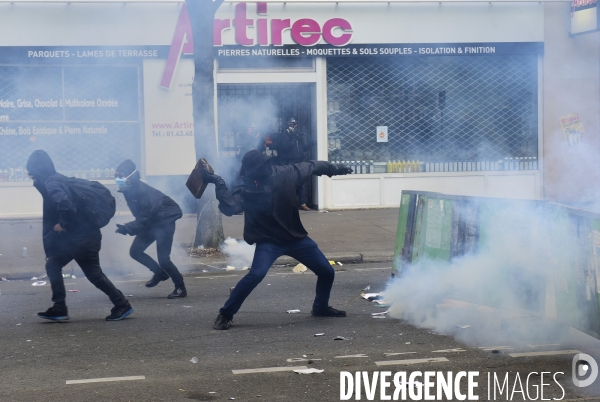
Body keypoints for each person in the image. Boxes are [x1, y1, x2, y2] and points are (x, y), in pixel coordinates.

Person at [204, 150, 352, 330]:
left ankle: (320, 308)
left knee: (327, 272)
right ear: (251, 171)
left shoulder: (286, 173)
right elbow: (231, 207)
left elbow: (313, 165)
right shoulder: (245, 186)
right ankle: (226, 313)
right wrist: (218, 182)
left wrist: (334, 169)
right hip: (269, 241)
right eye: (260, 167)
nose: (265, 168)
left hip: (295, 238)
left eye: (266, 164)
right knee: (256, 275)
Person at [26, 150, 133, 322]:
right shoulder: (56, 179)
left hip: (82, 238)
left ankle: (122, 304)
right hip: (78, 237)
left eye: (32, 173)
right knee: (53, 264)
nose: (31, 177)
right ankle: (59, 308)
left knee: (94, 275)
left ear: (38, 170)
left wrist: (63, 224)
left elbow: (65, 204)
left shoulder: (52, 184)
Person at [114, 159, 187, 299]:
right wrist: (130, 228)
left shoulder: (144, 193)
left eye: (121, 175)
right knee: (135, 251)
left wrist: (127, 228)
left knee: (164, 260)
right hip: (151, 224)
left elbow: (145, 216)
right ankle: (159, 273)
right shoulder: (129, 189)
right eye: (116, 175)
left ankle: (181, 288)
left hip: (164, 224)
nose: (118, 179)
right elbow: (143, 217)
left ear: (130, 176)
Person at [272, 117, 314, 211]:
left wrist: (311, 144)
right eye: (289, 124)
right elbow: (283, 148)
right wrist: (291, 138)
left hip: (299, 161)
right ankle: (288, 204)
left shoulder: (298, 135)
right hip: (289, 162)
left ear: (296, 125)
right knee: (289, 182)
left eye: (292, 124)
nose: (291, 126)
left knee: (301, 182)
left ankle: (302, 203)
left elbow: (303, 148)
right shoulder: (284, 136)